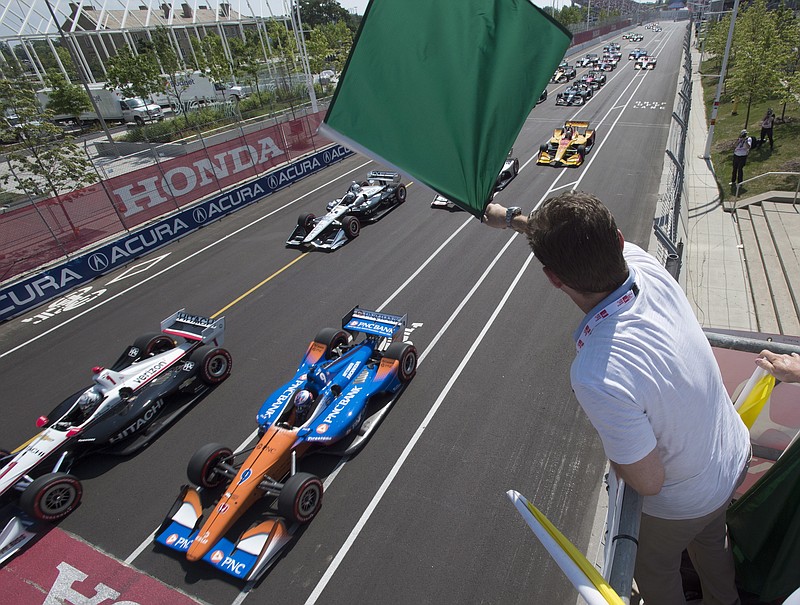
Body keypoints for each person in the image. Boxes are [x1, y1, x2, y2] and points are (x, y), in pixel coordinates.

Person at [484, 191, 751, 605]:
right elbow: (583, 237)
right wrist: (514, 219)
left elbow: (648, 480)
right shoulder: (644, 264)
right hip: (731, 453)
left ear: (553, 277)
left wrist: (618, 457)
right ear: (620, 239)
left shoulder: (596, 373)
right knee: (712, 544)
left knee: (655, 570)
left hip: (688, 495)